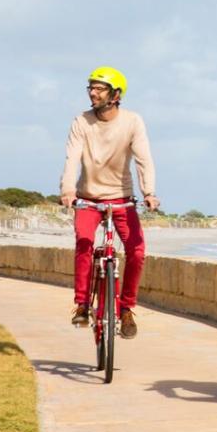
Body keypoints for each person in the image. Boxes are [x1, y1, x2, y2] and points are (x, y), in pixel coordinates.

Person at [60, 66, 160, 339]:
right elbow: (72, 158)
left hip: (122, 199)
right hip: (88, 198)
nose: (92, 93)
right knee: (84, 243)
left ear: (115, 94)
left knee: (137, 251)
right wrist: (68, 190)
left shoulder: (132, 122)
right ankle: (81, 304)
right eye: (90, 87)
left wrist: (149, 192)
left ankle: (126, 309)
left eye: (99, 88)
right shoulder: (81, 121)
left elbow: (144, 160)